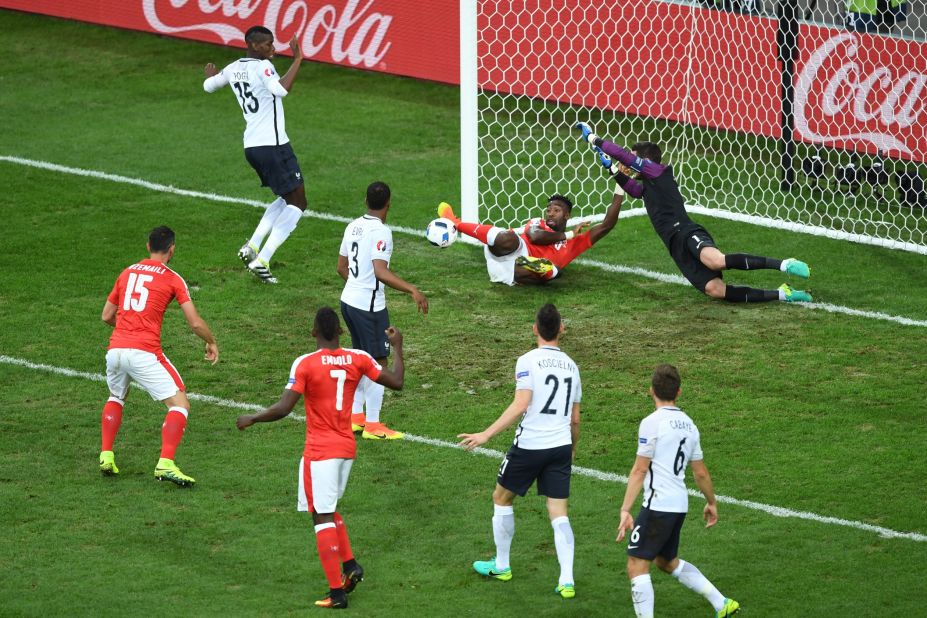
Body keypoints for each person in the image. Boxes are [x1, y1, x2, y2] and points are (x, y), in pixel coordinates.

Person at [236, 307, 405, 609]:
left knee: (321, 516)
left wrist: (253, 417)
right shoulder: (359, 358)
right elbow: (396, 381)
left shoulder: (305, 364)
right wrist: (398, 348)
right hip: (346, 449)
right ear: (340, 332)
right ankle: (350, 565)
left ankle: (336, 594)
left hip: (319, 452)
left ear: (313, 332)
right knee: (327, 509)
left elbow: (285, 408)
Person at [575, 122, 813, 303]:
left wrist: (595, 139)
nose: (630, 162)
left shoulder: (658, 172)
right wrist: (610, 168)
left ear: (646, 161)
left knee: (716, 260)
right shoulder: (648, 186)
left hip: (687, 231)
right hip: (674, 245)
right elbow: (634, 190)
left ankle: (784, 264)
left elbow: (625, 157)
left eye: (635, 158)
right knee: (715, 290)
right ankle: (783, 294)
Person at [458, 304, 581, 599]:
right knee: (558, 512)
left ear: (534, 329)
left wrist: (485, 434)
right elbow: (576, 418)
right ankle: (567, 581)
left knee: (502, 497)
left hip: (530, 446)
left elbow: (521, 404)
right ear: (561, 329)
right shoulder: (573, 367)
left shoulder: (527, 361)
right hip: (560, 445)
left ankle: (502, 565)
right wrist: (571, 450)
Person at [615, 364, 740, 618]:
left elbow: (640, 470)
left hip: (658, 505)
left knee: (636, 566)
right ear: (679, 392)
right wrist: (711, 502)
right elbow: (700, 472)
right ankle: (722, 603)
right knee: (665, 561)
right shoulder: (689, 425)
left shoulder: (651, 423)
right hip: (678, 505)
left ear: (651, 391)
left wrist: (626, 509)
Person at [99, 226, 219, 487]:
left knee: (116, 396)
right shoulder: (173, 278)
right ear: (172, 249)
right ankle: (165, 463)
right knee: (180, 405)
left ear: (147, 246)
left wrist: (126, 330)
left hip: (115, 350)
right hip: (144, 352)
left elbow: (107, 315)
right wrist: (211, 341)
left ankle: (106, 454)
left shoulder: (127, 272)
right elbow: (195, 323)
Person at [203, 25, 306, 284]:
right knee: (298, 203)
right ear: (254, 45)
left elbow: (208, 86)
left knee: (286, 197)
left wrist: (211, 75)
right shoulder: (263, 67)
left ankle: (253, 245)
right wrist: (298, 59)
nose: (273, 48)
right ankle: (263, 259)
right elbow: (281, 89)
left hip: (252, 147)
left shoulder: (234, 67)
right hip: (274, 145)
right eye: (269, 44)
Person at [337, 181, 428, 440]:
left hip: (348, 302)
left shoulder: (352, 226)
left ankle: (355, 417)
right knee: (378, 362)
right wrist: (412, 289)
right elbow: (380, 271)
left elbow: (341, 268)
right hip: (368, 308)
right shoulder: (381, 232)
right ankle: (374, 425)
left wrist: (357, 285)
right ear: (389, 204)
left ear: (365, 201)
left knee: (360, 358)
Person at [436, 188, 622, 285]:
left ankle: (534, 268)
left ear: (567, 216)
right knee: (508, 237)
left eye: (556, 211)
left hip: (512, 273)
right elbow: (534, 237)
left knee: (553, 271)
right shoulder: (537, 223)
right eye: (548, 210)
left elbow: (607, 225)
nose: (550, 213)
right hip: (506, 253)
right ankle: (455, 222)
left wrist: (620, 188)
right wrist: (569, 233)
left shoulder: (576, 243)